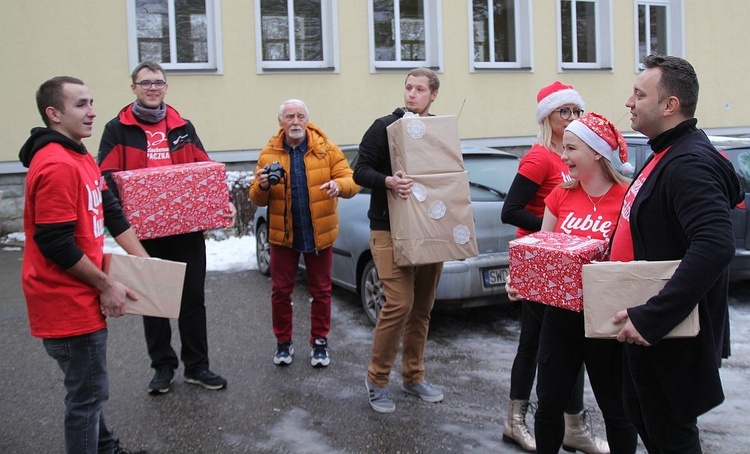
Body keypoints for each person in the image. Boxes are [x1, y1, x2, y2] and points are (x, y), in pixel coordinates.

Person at [610, 54, 742, 453]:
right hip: (649, 330)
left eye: (638, 94)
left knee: (671, 436)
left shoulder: (688, 163)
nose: (629, 102)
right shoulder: (664, 152)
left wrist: (655, 317)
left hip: (669, 338)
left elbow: (716, 244)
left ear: (670, 106)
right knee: (644, 419)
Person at [19, 76, 148, 453]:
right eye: (80, 105)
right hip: (65, 303)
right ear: (53, 114)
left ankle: (105, 447)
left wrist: (145, 263)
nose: (92, 112)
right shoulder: (57, 164)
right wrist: (106, 285)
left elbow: (111, 211)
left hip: (79, 296)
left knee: (89, 391)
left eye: (92, 102)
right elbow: (53, 241)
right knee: (87, 399)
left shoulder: (79, 155)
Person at [98, 61, 235, 394]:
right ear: (134, 88)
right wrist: (123, 214)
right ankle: (162, 367)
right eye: (145, 83)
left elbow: (204, 167)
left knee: (192, 299)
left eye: (158, 82)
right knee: (153, 300)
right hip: (143, 234)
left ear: (166, 87)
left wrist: (221, 201)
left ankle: (197, 367)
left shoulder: (182, 126)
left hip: (186, 230)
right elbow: (104, 177)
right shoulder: (117, 128)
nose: (152, 88)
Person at [507, 112, 637, 453]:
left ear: (597, 152)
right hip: (560, 316)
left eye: (571, 148)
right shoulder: (560, 196)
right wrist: (520, 280)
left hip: (608, 319)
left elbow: (636, 263)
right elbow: (542, 251)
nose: (563, 157)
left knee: (617, 409)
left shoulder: (628, 197)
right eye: (563, 148)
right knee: (549, 405)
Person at [501, 81, 607, 453]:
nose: (574, 118)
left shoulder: (574, 157)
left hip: (566, 265)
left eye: (578, 111)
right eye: (565, 112)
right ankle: (516, 421)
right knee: (534, 346)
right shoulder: (540, 157)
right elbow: (510, 211)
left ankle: (572, 425)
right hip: (541, 263)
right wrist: (558, 233)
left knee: (565, 345)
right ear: (548, 116)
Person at [354, 67, 445, 413]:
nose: (411, 94)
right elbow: (358, 170)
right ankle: (377, 381)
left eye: (420, 89)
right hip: (388, 229)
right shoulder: (383, 127)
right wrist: (389, 181)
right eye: (408, 88)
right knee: (399, 303)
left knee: (422, 308)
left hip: (429, 230)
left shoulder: (438, 129)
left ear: (433, 95)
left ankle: (413, 376)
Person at [248, 99, 357, 367]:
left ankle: (320, 342)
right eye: (289, 117)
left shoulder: (326, 149)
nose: (295, 121)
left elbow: (351, 180)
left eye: (299, 116)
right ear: (281, 122)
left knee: (321, 290)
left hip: (318, 232)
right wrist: (261, 186)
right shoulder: (268, 154)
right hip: (283, 236)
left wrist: (338, 186)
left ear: (307, 120)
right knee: (280, 291)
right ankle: (283, 342)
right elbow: (256, 199)